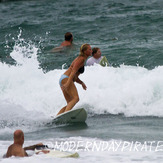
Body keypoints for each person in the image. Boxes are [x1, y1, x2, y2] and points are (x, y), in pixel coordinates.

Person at [57, 44, 92, 115]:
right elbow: (73, 72)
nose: (91, 50)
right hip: (66, 79)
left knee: (70, 103)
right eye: (89, 49)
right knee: (76, 98)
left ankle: (58, 117)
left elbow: (75, 77)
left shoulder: (82, 59)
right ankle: (66, 116)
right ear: (85, 51)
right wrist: (67, 83)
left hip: (64, 79)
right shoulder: (81, 59)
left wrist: (81, 83)